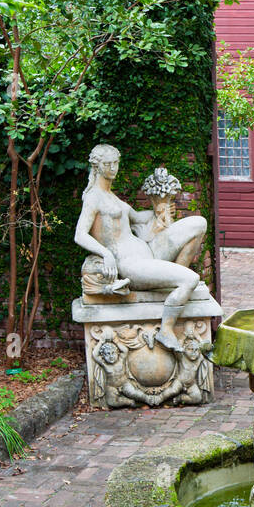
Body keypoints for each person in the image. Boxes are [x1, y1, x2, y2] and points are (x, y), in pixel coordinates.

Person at [73, 144, 203, 352]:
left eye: (116, 163)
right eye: (108, 164)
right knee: (191, 279)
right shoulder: (93, 197)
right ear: (97, 166)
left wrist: (159, 207)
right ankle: (166, 330)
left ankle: (175, 284)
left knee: (198, 223)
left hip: (148, 251)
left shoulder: (111, 196)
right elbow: (80, 234)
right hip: (131, 264)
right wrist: (106, 254)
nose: (113, 168)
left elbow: (139, 218)